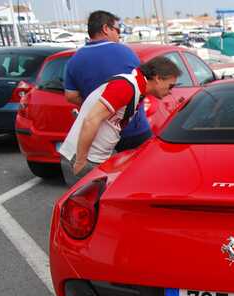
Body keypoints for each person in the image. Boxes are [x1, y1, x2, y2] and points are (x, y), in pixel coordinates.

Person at [59, 57, 181, 186]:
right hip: (85, 158)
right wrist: (80, 161)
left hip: (93, 158)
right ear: (158, 78)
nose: (170, 91)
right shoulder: (126, 86)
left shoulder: (135, 88)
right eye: (170, 86)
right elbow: (91, 120)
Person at [64, 10, 152, 153]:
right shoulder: (126, 53)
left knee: (104, 174)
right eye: (117, 30)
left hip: (99, 135)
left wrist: (100, 105)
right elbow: (145, 85)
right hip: (132, 131)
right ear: (105, 28)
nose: (119, 35)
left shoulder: (74, 60)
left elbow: (71, 96)